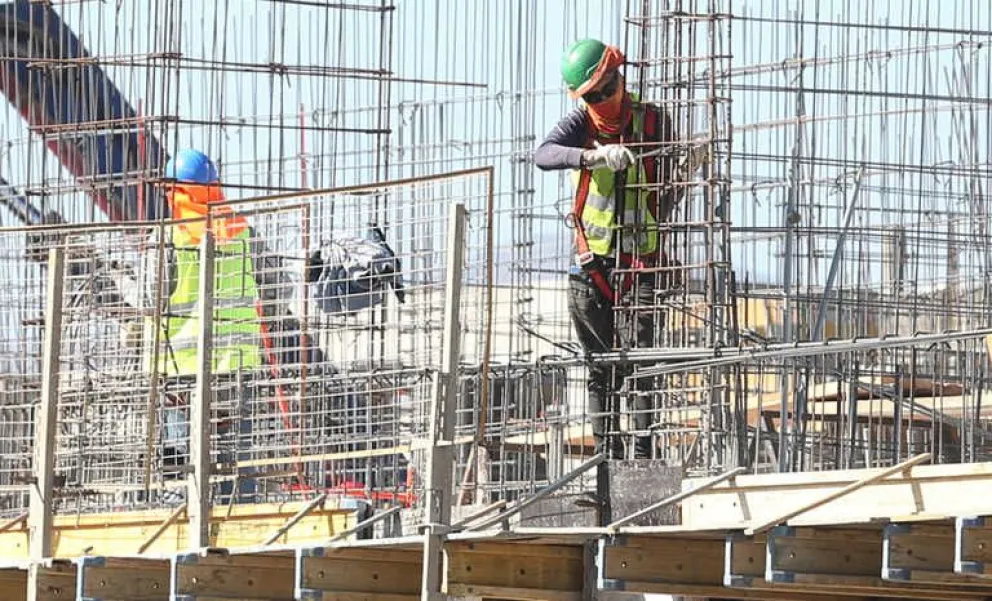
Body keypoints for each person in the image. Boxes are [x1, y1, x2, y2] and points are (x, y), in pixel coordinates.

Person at [534, 38, 682, 460]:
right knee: (600, 369)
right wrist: (590, 158)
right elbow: (543, 154)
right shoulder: (582, 124)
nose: (601, 100)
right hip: (591, 265)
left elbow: (670, 189)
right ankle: (607, 457)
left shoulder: (653, 121)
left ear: (620, 78)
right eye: (593, 95)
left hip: (640, 264)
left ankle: (644, 451)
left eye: (606, 89)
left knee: (641, 365)